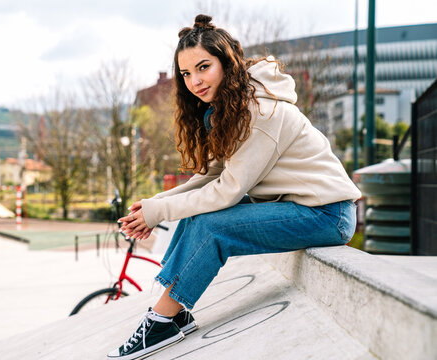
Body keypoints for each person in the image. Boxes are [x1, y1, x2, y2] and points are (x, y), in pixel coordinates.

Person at [107, 14, 361, 360]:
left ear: (226, 62)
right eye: (186, 74)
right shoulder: (232, 108)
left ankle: (162, 318)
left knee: (213, 224)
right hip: (303, 209)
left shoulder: (261, 111)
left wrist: (158, 212)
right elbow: (211, 176)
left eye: (203, 67)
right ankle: (174, 310)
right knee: (201, 216)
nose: (194, 81)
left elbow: (227, 191)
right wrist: (154, 203)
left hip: (327, 214)